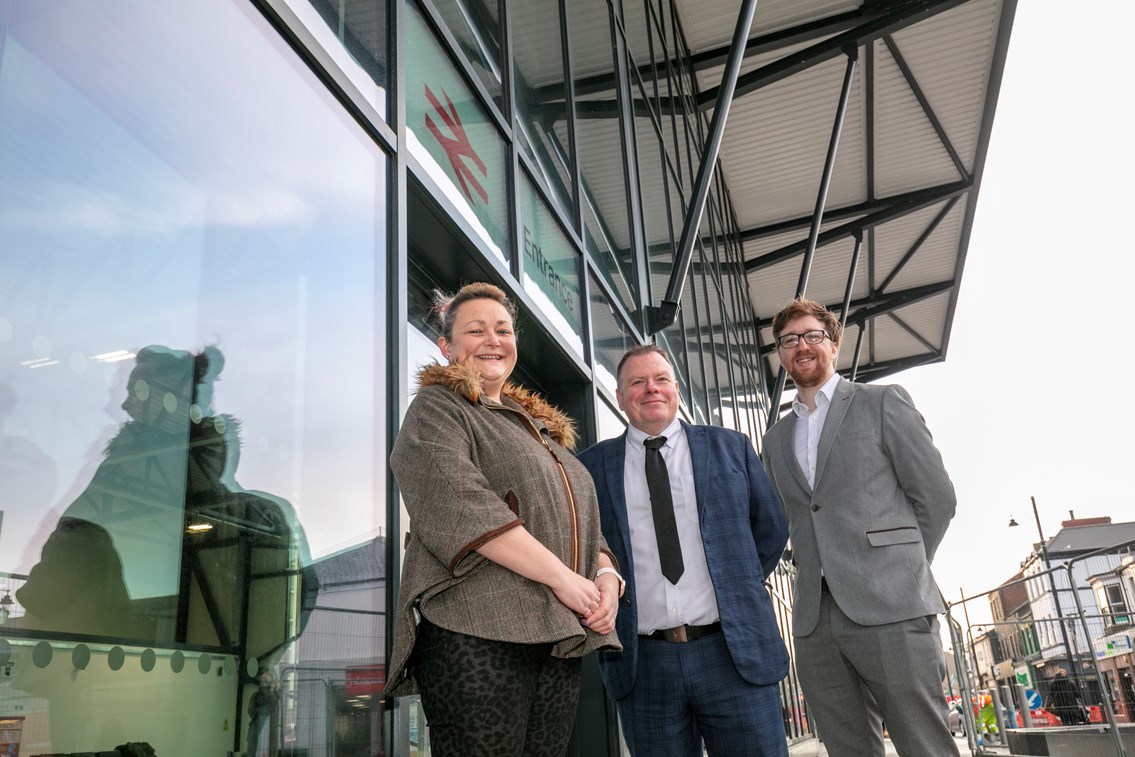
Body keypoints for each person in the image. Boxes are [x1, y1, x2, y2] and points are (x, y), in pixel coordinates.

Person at [385, 282, 621, 757]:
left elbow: (584, 521)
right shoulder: (438, 408)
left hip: (556, 631)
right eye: (476, 330)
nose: (494, 339)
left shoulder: (541, 433)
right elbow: (464, 506)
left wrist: (606, 577)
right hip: (476, 627)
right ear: (447, 347)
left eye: (503, 329)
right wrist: (565, 580)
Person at [762, 297, 958, 757]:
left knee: (924, 743)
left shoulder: (882, 402)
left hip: (893, 605)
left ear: (834, 344)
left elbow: (936, 499)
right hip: (814, 620)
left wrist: (899, 566)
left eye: (812, 335)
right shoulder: (774, 439)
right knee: (847, 748)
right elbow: (791, 518)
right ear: (781, 355)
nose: (801, 346)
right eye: (789, 340)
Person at [577, 344, 790, 757]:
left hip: (732, 654)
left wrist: (735, 585)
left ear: (675, 388)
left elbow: (771, 530)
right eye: (637, 383)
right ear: (620, 397)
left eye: (660, 380)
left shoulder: (731, 447)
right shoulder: (590, 468)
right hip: (644, 666)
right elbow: (586, 550)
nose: (650, 389)